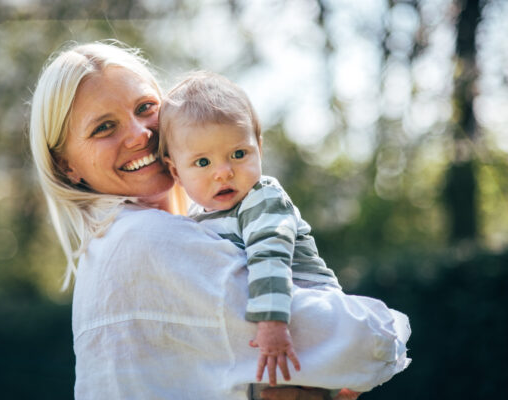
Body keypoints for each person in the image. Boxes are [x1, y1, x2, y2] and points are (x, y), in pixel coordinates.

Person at [28, 40, 410, 400]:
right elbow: (361, 345)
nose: (140, 134)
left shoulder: (118, 244)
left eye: (145, 107)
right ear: (67, 165)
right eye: (104, 127)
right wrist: (389, 333)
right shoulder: (146, 240)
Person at [158, 71, 345, 386]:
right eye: (202, 162)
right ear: (176, 170)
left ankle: (336, 381)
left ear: (258, 146)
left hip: (306, 308)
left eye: (238, 154)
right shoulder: (195, 220)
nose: (224, 172)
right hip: (268, 332)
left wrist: (271, 320)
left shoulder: (263, 198)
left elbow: (269, 254)